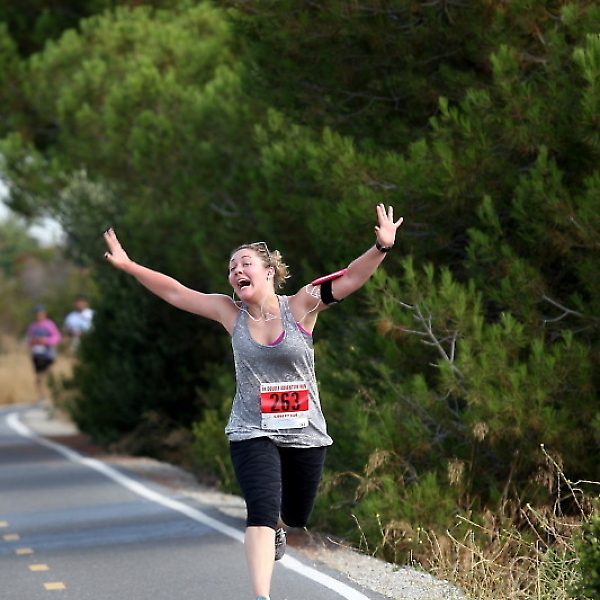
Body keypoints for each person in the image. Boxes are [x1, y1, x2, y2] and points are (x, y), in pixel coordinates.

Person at [103, 203, 403, 600]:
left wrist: (381, 247)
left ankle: (280, 524)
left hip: (304, 431)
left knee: (295, 514)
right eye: (232, 268)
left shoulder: (301, 305)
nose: (236, 271)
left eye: (245, 263)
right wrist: (129, 266)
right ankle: (262, 595)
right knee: (259, 510)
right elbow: (176, 292)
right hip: (251, 428)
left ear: (269, 271)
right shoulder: (229, 313)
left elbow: (350, 278)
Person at [26, 304, 62, 404]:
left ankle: (52, 396)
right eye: (37, 314)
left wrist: (45, 341)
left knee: (47, 375)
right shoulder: (32, 326)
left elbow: (57, 338)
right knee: (39, 376)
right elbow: (28, 340)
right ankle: (42, 397)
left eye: (41, 314)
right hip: (37, 354)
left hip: (48, 354)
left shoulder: (49, 325)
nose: (39, 316)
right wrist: (33, 341)